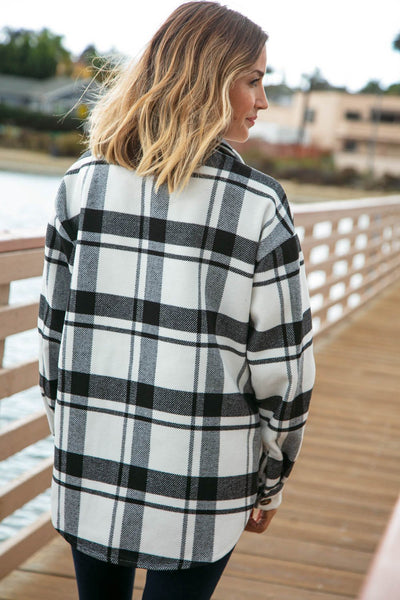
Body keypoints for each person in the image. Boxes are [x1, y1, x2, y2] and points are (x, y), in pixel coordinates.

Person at [38, 2, 315, 599]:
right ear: (209, 77)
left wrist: (73, 436)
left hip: (91, 467)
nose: (263, 100)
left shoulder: (81, 185)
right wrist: (271, 480)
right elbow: (284, 372)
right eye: (254, 79)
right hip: (202, 481)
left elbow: (50, 342)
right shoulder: (260, 206)